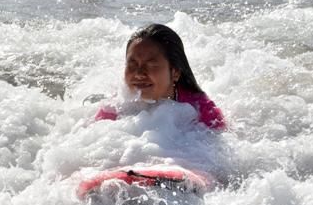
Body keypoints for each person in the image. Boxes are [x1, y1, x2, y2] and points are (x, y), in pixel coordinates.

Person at [95, 24, 226, 130]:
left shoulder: (201, 111)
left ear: (175, 72)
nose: (139, 73)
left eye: (151, 65)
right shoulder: (114, 107)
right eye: (132, 65)